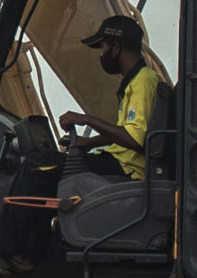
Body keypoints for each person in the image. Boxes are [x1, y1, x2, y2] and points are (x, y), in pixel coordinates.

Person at [65, 12, 162, 180]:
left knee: (40, 164)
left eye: (103, 47)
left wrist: (88, 120)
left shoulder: (143, 81)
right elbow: (127, 134)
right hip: (120, 162)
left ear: (116, 47)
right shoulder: (135, 81)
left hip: (127, 169)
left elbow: (135, 139)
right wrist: (89, 143)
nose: (102, 54)